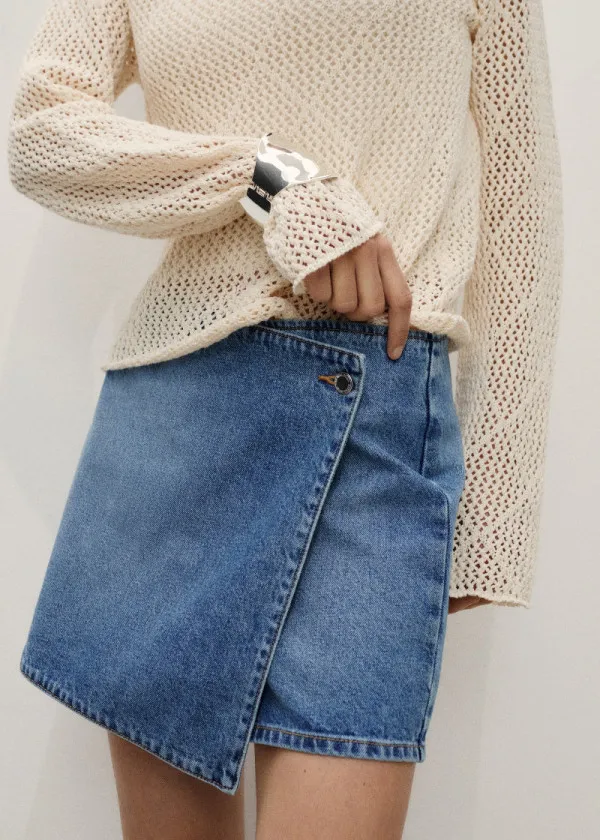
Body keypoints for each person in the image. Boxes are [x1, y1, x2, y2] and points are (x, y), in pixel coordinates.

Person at [7, 0, 563, 837]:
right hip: (181, 421)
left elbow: (522, 227)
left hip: (379, 429)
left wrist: (492, 519)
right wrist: (267, 179)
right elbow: (41, 133)